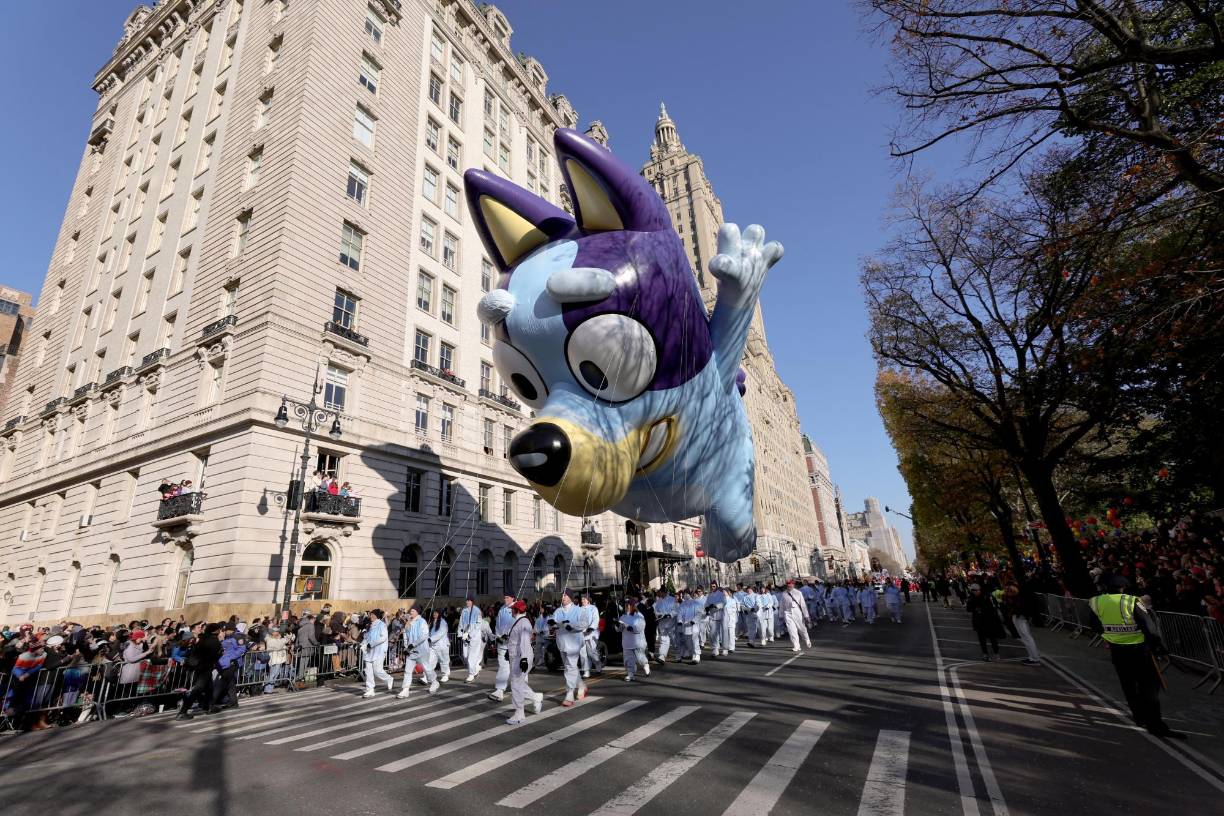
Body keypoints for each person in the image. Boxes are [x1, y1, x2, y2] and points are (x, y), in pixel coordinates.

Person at [1088, 576, 1183, 738]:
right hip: (1140, 650)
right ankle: (1155, 725)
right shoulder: (1131, 601)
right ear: (1123, 587)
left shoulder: (1096, 601)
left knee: (1129, 685)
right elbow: (1149, 628)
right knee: (1149, 689)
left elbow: (1094, 625)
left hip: (1117, 650)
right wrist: (1157, 646)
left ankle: (1139, 717)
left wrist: (1110, 636)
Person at [506, 600, 544, 725]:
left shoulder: (523, 623)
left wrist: (523, 659)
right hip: (517, 656)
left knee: (516, 684)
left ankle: (519, 713)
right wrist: (508, 651)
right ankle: (536, 697)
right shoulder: (520, 621)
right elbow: (515, 640)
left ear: (517, 610)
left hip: (520, 657)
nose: (511, 611)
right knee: (518, 683)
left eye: (513, 609)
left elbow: (524, 642)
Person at [176, 623, 222, 719]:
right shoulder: (214, 641)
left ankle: (210, 706)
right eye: (219, 630)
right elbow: (215, 655)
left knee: (209, 687)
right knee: (198, 689)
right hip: (205, 666)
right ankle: (183, 711)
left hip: (199, 666)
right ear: (216, 631)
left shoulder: (202, 638)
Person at [551, 589, 587, 706]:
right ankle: (581, 685)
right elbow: (553, 622)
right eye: (562, 595)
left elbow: (584, 623)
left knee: (570, 667)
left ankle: (569, 693)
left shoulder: (579, 610)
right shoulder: (558, 611)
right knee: (569, 666)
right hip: (562, 642)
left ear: (570, 597)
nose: (563, 597)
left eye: (565, 595)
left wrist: (572, 626)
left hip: (574, 643)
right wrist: (552, 625)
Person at [397, 605, 436, 698]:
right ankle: (405, 689)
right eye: (411, 611)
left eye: (413, 611)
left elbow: (424, 635)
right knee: (407, 671)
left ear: (417, 612)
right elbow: (406, 636)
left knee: (427, 669)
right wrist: (406, 647)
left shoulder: (422, 622)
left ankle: (434, 682)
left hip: (422, 650)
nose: (411, 612)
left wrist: (413, 644)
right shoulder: (408, 622)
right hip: (411, 651)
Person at [487, 594, 516, 702]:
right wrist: (498, 636)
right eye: (504, 597)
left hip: (513, 644)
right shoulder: (502, 609)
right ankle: (500, 690)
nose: (505, 599)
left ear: (513, 598)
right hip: (502, 644)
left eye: (507, 597)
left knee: (516, 669)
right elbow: (497, 625)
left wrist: (509, 636)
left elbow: (518, 625)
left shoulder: (517, 608)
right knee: (503, 667)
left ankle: (526, 691)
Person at [1002, 585, 1040, 666]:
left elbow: (1018, 609)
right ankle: (1032, 657)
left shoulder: (1017, 599)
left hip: (1020, 618)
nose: (1006, 593)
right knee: (1025, 638)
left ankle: (1035, 658)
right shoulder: (1017, 598)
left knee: (1027, 637)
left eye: (1007, 592)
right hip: (1019, 618)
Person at [966, 583, 1005, 661]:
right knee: (982, 639)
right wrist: (974, 606)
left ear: (979, 590)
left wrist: (982, 609)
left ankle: (996, 654)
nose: (975, 592)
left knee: (992, 638)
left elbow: (994, 606)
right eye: (973, 591)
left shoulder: (987, 596)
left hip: (989, 619)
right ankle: (985, 654)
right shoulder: (972, 597)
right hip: (979, 620)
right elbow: (969, 609)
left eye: (976, 591)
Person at [360, 609, 394, 698]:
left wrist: (372, 644)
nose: (371, 616)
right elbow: (366, 637)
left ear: (377, 616)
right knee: (368, 671)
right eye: (370, 615)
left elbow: (384, 637)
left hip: (379, 650)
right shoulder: (369, 625)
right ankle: (370, 689)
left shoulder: (382, 625)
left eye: (373, 615)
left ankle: (389, 679)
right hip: (369, 651)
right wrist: (362, 644)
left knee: (377, 670)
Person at [212, 624, 247, 710]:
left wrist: (230, 658)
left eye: (225, 631)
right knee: (230, 684)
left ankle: (211, 702)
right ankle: (233, 702)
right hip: (223, 664)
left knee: (222, 683)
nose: (224, 632)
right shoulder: (222, 638)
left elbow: (242, 649)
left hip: (231, 664)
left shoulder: (236, 637)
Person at [617, 598, 650, 681]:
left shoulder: (638, 616)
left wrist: (631, 628)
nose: (626, 607)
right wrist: (617, 626)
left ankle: (645, 665)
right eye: (625, 605)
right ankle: (630, 674)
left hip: (637, 642)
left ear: (632, 606)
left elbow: (641, 626)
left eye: (628, 605)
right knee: (628, 660)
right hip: (627, 642)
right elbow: (620, 629)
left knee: (640, 658)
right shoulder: (623, 617)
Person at [458, 596, 485, 683]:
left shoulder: (477, 611)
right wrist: (460, 634)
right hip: (465, 636)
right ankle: (476, 669)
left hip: (474, 637)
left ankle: (471, 674)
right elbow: (461, 623)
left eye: (469, 601)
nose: (467, 602)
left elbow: (478, 624)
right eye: (466, 600)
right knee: (465, 656)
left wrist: (470, 634)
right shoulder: (464, 611)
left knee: (471, 657)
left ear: (472, 601)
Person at [780, 579, 812, 651]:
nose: (789, 585)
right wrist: (781, 615)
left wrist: (806, 615)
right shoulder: (784, 594)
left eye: (790, 584)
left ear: (793, 585)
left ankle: (807, 639)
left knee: (801, 628)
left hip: (797, 612)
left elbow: (803, 604)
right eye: (788, 584)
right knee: (791, 630)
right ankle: (796, 645)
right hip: (787, 613)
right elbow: (782, 605)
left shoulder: (798, 593)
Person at [578, 594, 601, 678]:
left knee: (591, 653)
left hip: (590, 633)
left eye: (584, 599)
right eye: (582, 599)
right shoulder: (579, 609)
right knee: (583, 654)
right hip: (581, 634)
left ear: (588, 600)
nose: (582, 601)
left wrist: (591, 627)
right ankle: (586, 671)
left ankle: (598, 664)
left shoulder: (593, 608)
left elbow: (596, 619)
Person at [427, 608, 451, 684]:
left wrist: (430, 639)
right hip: (433, 646)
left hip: (442, 645)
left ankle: (445, 675)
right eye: (434, 613)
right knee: (430, 661)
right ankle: (428, 677)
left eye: (436, 613)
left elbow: (440, 633)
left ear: (440, 614)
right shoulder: (432, 622)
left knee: (443, 661)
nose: (434, 614)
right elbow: (429, 633)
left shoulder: (443, 622)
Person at [653, 589, 677, 663]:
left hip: (671, 622)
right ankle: (662, 656)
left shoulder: (672, 599)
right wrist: (658, 615)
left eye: (660, 593)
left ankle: (679, 653)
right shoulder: (658, 601)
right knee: (663, 639)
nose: (659, 594)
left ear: (664, 592)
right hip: (662, 622)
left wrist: (670, 614)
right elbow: (655, 610)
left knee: (673, 639)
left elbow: (676, 610)